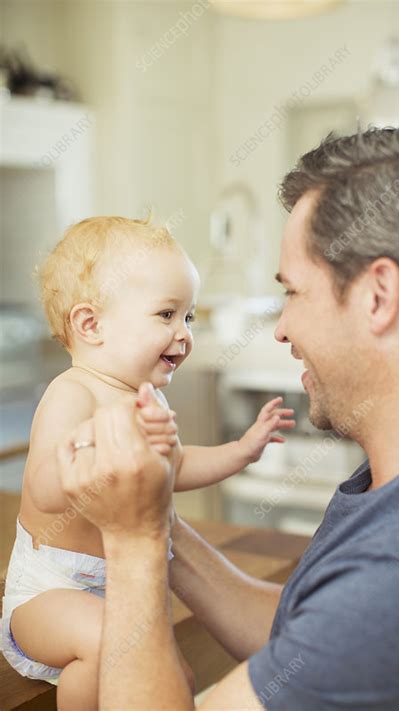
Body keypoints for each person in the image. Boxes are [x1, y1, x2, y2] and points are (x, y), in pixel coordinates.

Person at [59, 117, 399, 710]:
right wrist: (155, 518)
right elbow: (314, 635)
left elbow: (360, 623)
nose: (281, 328)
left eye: (293, 292)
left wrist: (135, 544)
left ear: (379, 297)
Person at [0, 215, 295, 710]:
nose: (183, 334)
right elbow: (46, 490)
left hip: (115, 591)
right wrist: (95, 447)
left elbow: (175, 470)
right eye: (166, 315)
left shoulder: (148, 402)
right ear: (90, 325)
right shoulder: (72, 394)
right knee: (109, 653)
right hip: (48, 593)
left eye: (189, 316)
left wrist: (241, 450)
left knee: (172, 671)